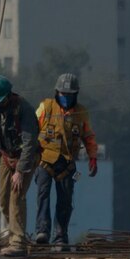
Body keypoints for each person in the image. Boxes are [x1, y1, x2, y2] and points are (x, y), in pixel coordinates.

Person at [32, 73, 97, 246]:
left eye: (69, 94)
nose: (66, 97)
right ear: (57, 92)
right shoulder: (45, 107)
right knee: (43, 195)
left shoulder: (81, 113)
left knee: (66, 201)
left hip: (67, 164)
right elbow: (31, 130)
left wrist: (93, 157)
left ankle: (60, 236)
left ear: (76, 94)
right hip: (45, 160)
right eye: (63, 94)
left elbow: (89, 136)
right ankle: (42, 231)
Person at [0, 75, 40, 257]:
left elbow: (30, 143)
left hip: (25, 159)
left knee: (16, 197)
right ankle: (13, 234)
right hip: (6, 156)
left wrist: (20, 171)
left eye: (1, 102)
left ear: (8, 96)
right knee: (3, 200)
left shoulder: (24, 109)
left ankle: (18, 242)